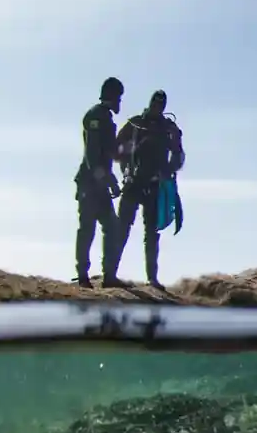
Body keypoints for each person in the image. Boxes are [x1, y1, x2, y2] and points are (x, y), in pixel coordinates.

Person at [104, 89, 186, 288]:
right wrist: (126, 165)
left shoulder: (169, 128)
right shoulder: (135, 124)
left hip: (155, 185)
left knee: (152, 233)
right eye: (155, 103)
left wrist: (168, 171)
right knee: (122, 229)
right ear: (150, 103)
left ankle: (152, 278)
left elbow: (178, 153)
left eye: (161, 104)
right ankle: (110, 274)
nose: (158, 106)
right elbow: (116, 149)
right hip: (133, 183)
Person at [74, 76, 124, 287]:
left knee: (111, 227)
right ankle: (83, 276)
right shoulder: (96, 116)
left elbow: (108, 153)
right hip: (90, 183)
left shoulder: (105, 117)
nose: (120, 102)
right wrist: (107, 179)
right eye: (118, 97)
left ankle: (109, 277)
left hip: (100, 184)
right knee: (88, 228)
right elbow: (92, 155)